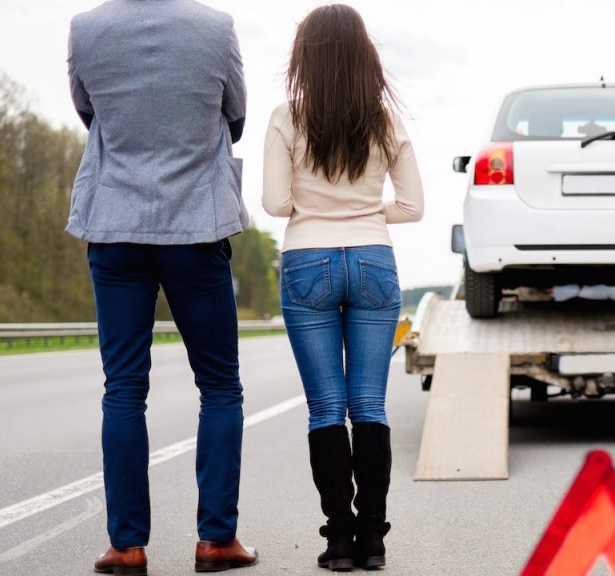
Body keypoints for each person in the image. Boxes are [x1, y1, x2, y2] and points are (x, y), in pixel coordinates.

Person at [66, 1, 258, 573]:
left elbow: (88, 109)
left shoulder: (86, 28)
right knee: (220, 387)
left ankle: (126, 546)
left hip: (116, 222)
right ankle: (216, 540)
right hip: (196, 225)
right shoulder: (216, 27)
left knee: (123, 389)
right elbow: (237, 115)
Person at [262, 4, 424, 571]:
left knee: (326, 408)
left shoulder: (287, 117)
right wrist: (365, 212)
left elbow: (276, 204)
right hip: (374, 260)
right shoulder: (384, 121)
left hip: (308, 260)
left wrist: (317, 208)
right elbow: (413, 206)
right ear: (365, 57)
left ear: (304, 58)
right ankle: (374, 542)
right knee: (370, 405)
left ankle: (338, 539)